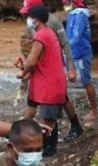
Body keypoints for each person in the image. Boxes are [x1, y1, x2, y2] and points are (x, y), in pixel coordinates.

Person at [19, 0, 83, 140]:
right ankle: (20, 131)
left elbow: (65, 44)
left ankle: (72, 127)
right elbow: (33, 48)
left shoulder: (52, 22)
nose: (26, 18)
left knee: (58, 100)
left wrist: (70, 68)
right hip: (41, 67)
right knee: (34, 101)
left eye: (28, 14)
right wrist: (27, 64)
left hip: (52, 69)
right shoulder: (37, 26)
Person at [17, 5, 66, 157]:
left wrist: (23, 73)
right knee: (31, 106)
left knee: (49, 119)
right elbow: (40, 60)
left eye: (29, 17)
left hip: (48, 84)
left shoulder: (41, 36)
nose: (27, 20)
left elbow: (32, 61)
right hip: (45, 80)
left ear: (36, 20)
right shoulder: (48, 33)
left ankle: (49, 148)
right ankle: (19, 133)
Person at [66, 0, 98, 125]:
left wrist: (64, 48)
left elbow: (77, 35)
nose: (65, 5)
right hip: (72, 52)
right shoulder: (72, 14)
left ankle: (94, 110)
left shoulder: (80, 15)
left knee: (86, 81)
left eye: (67, 2)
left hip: (82, 53)